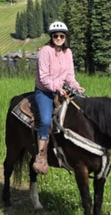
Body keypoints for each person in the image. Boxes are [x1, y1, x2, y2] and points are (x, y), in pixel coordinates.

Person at [31, 20, 84, 175]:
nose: (59, 38)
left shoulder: (68, 53)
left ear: (65, 37)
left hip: (61, 90)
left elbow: (69, 75)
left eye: (62, 35)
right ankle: (41, 155)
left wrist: (76, 86)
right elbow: (44, 77)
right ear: (51, 36)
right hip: (44, 92)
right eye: (56, 36)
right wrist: (58, 88)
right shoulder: (45, 52)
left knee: (79, 115)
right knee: (46, 121)